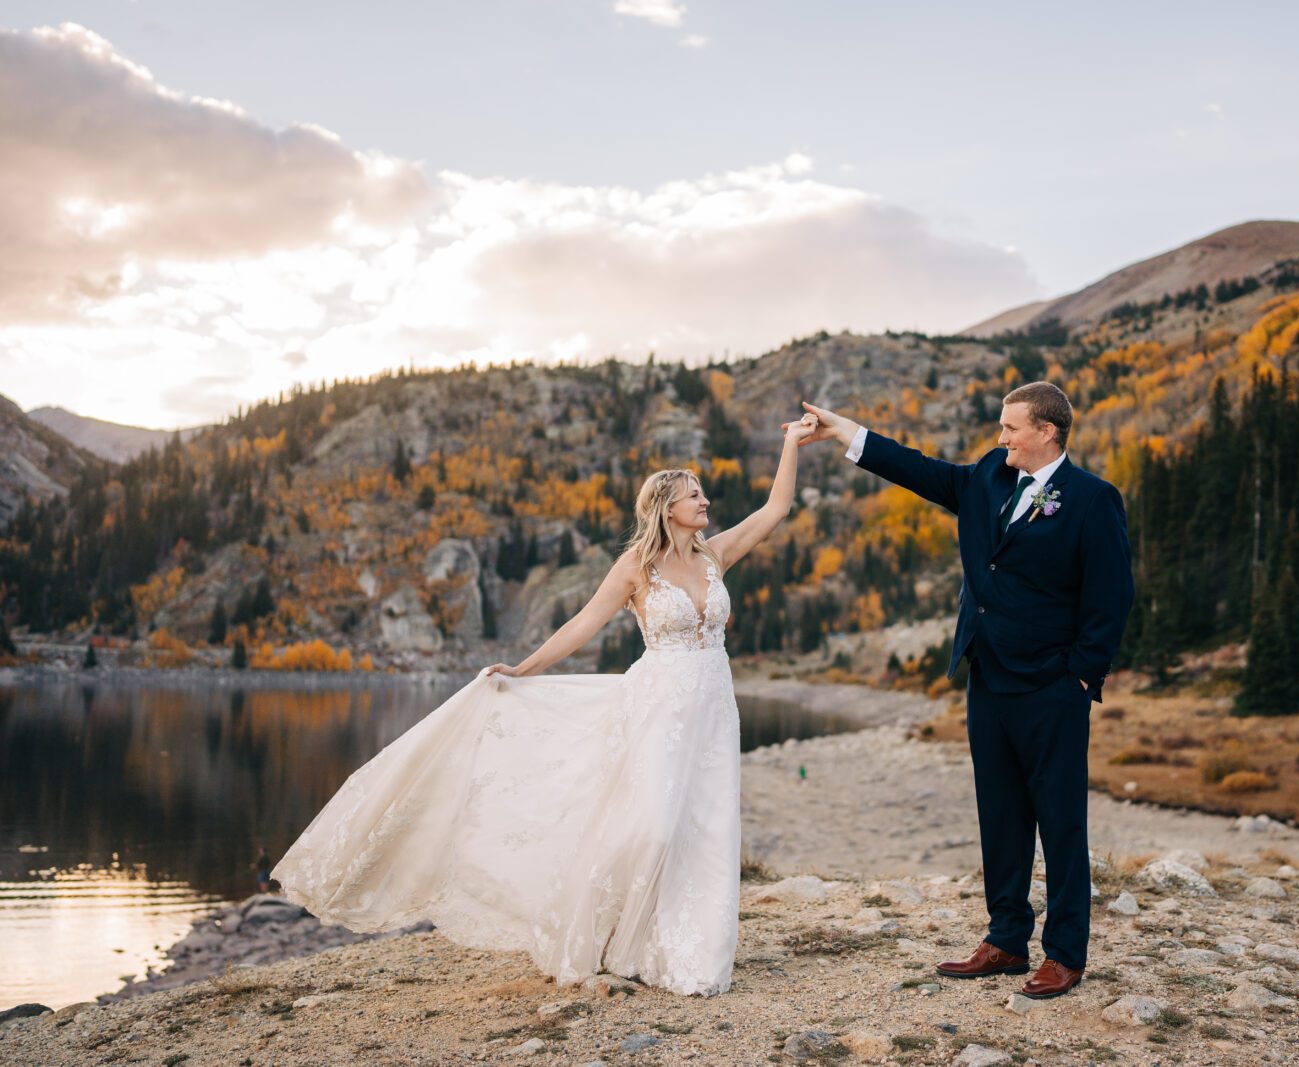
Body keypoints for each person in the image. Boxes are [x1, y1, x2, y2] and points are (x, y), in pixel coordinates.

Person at [271, 413, 817, 996]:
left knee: (705, 827)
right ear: (665, 507)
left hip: (713, 708)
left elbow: (776, 509)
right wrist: (524, 668)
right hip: (657, 707)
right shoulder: (636, 567)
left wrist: (791, 445)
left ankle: (689, 954)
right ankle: (607, 933)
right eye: (694, 495)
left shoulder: (716, 556)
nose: (706, 501)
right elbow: (582, 623)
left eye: (702, 494)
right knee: (653, 827)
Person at [798, 383, 1133, 1000]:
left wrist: (1082, 676)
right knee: (1000, 813)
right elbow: (916, 468)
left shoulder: (1092, 499)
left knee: (1060, 822)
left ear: (1048, 433)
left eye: (1011, 428)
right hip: (988, 676)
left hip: (1053, 687)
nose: (1000, 437)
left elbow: (1112, 597)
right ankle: (1006, 938)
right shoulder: (986, 479)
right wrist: (846, 430)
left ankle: (1065, 953)